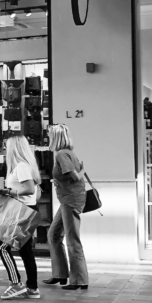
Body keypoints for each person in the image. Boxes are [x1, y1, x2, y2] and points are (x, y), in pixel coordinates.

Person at [0, 136, 42, 299]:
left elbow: (28, 189)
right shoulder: (26, 166)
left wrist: (9, 192)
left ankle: (16, 284)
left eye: (7, 147)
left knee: (2, 247)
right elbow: (35, 192)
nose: (5, 150)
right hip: (26, 209)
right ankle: (32, 287)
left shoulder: (21, 167)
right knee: (25, 250)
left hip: (21, 211)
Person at [44, 124, 89, 290]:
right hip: (67, 199)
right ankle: (60, 274)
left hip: (70, 201)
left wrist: (83, 170)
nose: (48, 137)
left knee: (72, 240)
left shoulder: (62, 154)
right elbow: (70, 177)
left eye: (50, 135)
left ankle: (79, 280)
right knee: (54, 234)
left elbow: (75, 177)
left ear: (56, 137)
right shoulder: (68, 153)